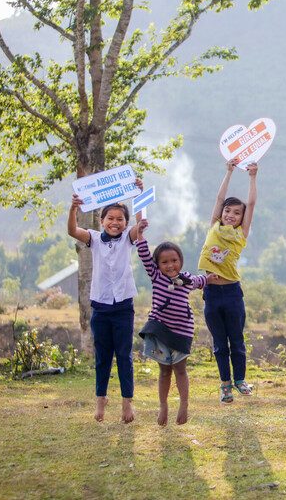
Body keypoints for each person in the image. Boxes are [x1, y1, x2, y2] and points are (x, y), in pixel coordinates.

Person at [67, 180, 143, 423]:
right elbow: (72, 231)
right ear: (102, 221)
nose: (114, 222)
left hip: (123, 307)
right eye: (110, 218)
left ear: (125, 222)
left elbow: (140, 226)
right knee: (103, 357)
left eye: (120, 219)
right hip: (100, 306)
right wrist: (73, 209)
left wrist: (138, 194)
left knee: (124, 355)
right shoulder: (94, 239)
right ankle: (100, 401)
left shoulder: (127, 239)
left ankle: (126, 405)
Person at [136, 220, 212, 425]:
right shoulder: (156, 276)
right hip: (160, 330)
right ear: (158, 265)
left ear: (181, 260)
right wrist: (140, 233)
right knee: (164, 371)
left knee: (180, 369)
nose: (170, 265)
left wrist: (215, 274)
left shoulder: (187, 279)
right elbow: (143, 254)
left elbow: (203, 280)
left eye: (174, 260)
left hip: (182, 331)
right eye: (164, 262)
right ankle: (163, 406)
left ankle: (184, 405)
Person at [198, 160, 258, 403]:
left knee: (237, 340)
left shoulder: (241, 234)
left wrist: (252, 177)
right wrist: (229, 171)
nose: (231, 215)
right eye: (228, 211)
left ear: (242, 218)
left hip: (232, 293)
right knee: (219, 344)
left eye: (236, 213)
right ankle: (225, 384)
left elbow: (252, 203)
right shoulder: (214, 225)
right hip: (212, 293)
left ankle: (240, 380)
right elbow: (218, 198)